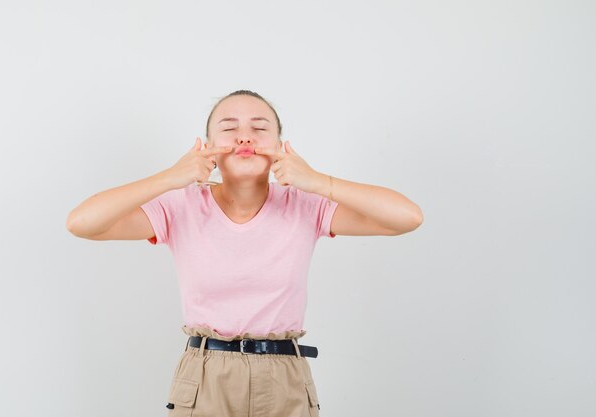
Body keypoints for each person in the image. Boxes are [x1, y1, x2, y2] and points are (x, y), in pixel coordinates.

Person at [66, 89, 423, 417]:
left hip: (285, 375)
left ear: (281, 146)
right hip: (206, 374)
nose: (244, 136)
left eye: (259, 127)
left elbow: (407, 218)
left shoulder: (305, 205)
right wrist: (170, 177)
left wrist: (317, 181)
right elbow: (82, 223)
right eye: (229, 127)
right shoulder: (180, 207)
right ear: (206, 147)